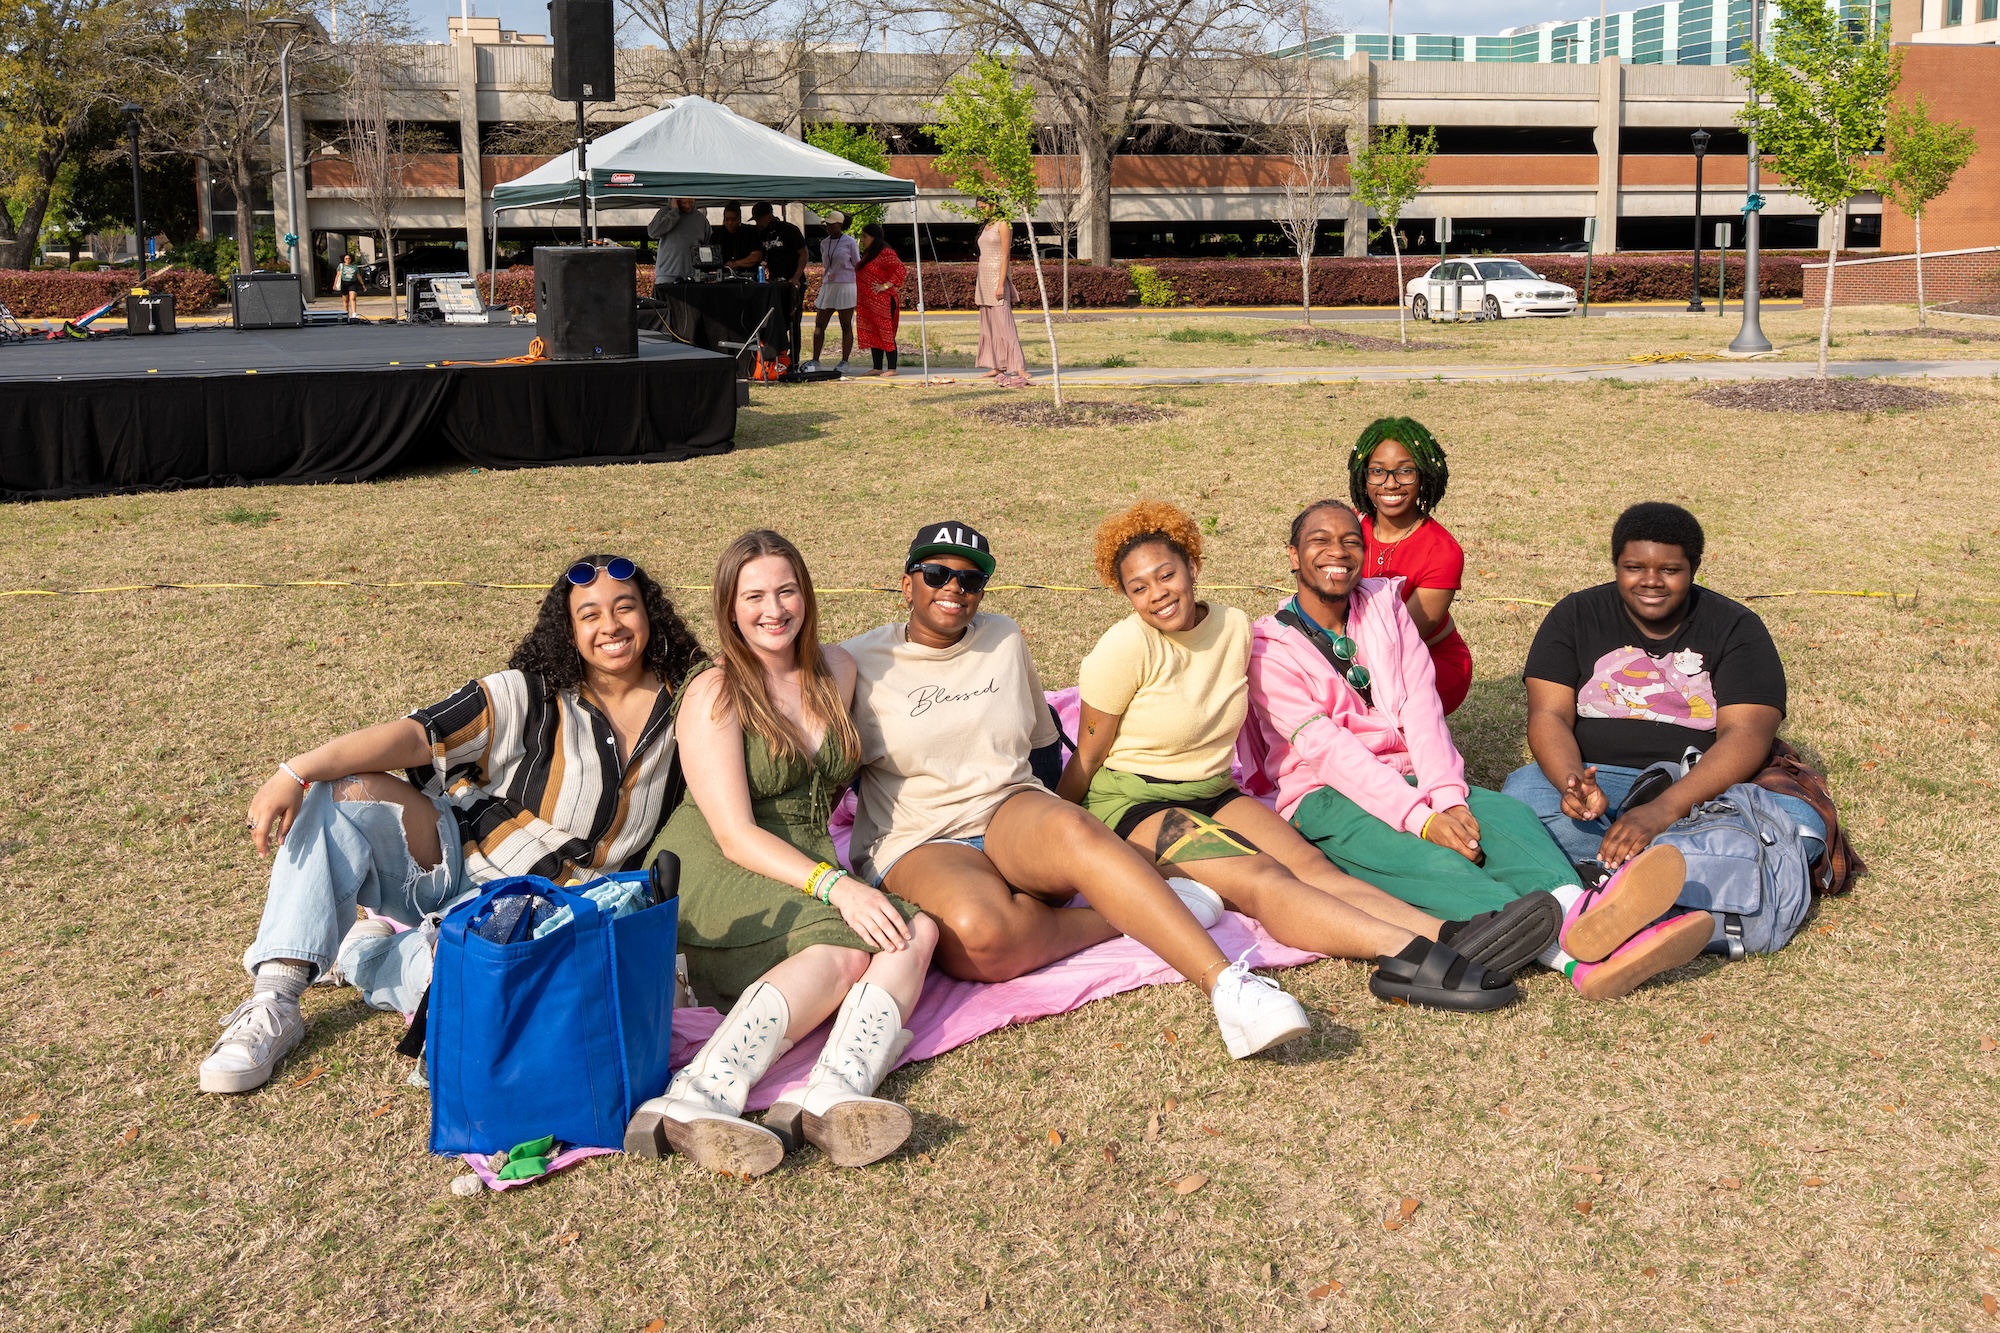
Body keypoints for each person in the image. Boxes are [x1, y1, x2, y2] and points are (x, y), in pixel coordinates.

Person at [200, 556, 704, 1094]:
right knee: (338, 791)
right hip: (452, 858)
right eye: (590, 614)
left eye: (625, 607)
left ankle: (366, 954)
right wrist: (293, 771)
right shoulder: (531, 692)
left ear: (650, 614)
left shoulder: (691, 705)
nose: (611, 626)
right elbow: (417, 734)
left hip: (549, 914)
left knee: (472, 989)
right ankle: (275, 1001)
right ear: (570, 629)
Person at [843, 521, 1318, 1063]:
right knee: (985, 938)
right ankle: (1145, 907)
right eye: (937, 574)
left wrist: (1058, 840)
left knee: (1073, 829)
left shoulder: (1002, 636)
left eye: (971, 582)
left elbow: (1045, 746)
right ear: (908, 585)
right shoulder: (857, 662)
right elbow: (826, 771)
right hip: (919, 835)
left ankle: (1231, 988)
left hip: (1005, 809)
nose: (954, 589)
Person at [1058, 501, 1545, 1013]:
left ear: (1192, 568)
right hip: (1137, 801)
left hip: (1213, 789)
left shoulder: (1234, 628)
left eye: (1166, 574)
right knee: (1260, 880)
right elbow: (1088, 756)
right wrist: (1066, 837)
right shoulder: (1123, 649)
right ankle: (1408, 954)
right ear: (1126, 597)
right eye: (1139, 588)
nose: (1157, 593)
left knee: (1314, 869)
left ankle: (1453, 934)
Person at [1245, 500, 1714, 1000]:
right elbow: (1329, 752)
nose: (1337, 552)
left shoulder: (1385, 607)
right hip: (1327, 794)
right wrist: (1422, 820)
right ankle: (1587, 948)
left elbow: (1421, 709)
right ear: (1293, 555)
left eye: (1351, 541)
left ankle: (1582, 921)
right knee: (1431, 861)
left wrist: (1446, 799)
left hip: (1414, 774)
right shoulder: (1268, 648)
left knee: (1507, 819)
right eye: (1319, 540)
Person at [627, 532, 938, 1177]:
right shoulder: (714, 690)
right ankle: (697, 1096)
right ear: (730, 608)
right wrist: (837, 886)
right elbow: (734, 832)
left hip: (807, 858)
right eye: (754, 596)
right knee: (847, 946)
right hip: (719, 864)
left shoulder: (839, 671)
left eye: (787, 590)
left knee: (917, 930)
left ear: (807, 595)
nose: (774, 609)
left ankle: (830, 1092)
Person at [1503, 502, 1833, 949]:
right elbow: (1549, 715)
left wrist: (1665, 809)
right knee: (1523, 794)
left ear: (1694, 568)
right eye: (1634, 567)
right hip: (1603, 781)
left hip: (1703, 789)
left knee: (1797, 825)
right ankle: (1676, 897)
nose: (1651, 581)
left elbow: (1747, 735)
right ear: (1616, 565)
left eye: (1670, 569)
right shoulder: (1576, 615)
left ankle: (1601, 892)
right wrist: (1571, 784)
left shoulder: (1736, 627)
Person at [1348, 418, 1474, 716]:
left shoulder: (1442, 551)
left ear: (1425, 476)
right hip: (1355, 652)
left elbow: (1400, 637)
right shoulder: (1348, 529)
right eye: (1377, 471)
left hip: (1425, 659)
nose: (1390, 483)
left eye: (1405, 471)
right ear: (1363, 477)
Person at [972, 204, 1029, 388]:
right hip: (984, 279)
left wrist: (1000, 283)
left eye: (984, 206)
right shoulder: (987, 225)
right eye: (979, 207)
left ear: (994, 204)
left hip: (997, 278)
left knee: (1005, 324)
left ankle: (1018, 366)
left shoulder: (1004, 224)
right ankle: (997, 366)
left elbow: (1005, 256)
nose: (982, 210)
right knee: (989, 325)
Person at [751, 202, 809, 368]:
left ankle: (795, 357)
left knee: (794, 320)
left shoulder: (789, 230)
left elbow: (803, 254)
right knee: (778, 321)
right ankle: (781, 355)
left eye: (759, 219)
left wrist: (796, 277)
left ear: (768, 216)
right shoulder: (763, 234)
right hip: (776, 284)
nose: (757, 223)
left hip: (794, 282)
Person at [806, 210, 860, 372]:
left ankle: (844, 361)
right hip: (829, 285)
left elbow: (857, 263)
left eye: (832, 224)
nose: (828, 227)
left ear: (840, 225)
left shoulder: (850, 242)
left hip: (846, 285)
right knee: (819, 324)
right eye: (827, 224)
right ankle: (815, 360)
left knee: (845, 324)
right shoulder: (824, 243)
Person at [854, 221, 907, 376]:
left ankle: (892, 368)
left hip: (883, 301)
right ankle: (877, 367)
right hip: (869, 303)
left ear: (874, 237)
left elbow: (900, 270)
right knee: (873, 332)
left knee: (886, 333)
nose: (862, 240)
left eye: (865, 236)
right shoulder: (869, 254)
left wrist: (885, 286)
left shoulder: (886, 252)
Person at [646, 197, 710, 290]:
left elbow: (708, 244)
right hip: (667, 274)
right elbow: (652, 232)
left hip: (692, 276)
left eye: (690, 202)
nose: (688, 206)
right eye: (684, 203)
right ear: (675, 200)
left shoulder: (701, 219)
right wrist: (674, 212)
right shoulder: (665, 212)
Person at [717, 204, 764, 271]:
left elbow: (757, 256)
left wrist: (736, 263)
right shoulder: (717, 234)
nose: (730, 223)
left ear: (739, 219)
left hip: (746, 275)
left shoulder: (750, 233)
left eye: (733, 219)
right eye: (727, 219)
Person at [334, 251, 361, 319]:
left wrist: (363, 284)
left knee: (352, 298)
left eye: (349, 258)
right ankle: (346, 314)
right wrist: (335, 284)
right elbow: (337, 275)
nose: (347, 260)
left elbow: (358, 275)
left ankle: (354, 313)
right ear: (343, 259)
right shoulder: (341, 266)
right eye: (346, 258)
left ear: (351, 259)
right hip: (344, 283)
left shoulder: (354, 266)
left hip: (353, 283)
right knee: (345, 300)